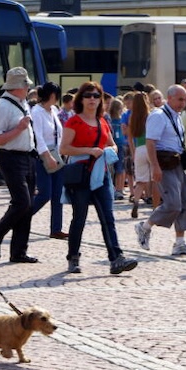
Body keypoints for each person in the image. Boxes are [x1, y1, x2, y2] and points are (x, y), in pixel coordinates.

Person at [60, 81, 138, 275]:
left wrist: (108, 150)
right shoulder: (74, 121)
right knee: (79, 218)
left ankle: (116, 258)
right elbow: (63, 148)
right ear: (81, 99)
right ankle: (73, 257)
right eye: (88, 95)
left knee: (108, 217)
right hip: (81, 175)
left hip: (100, 174)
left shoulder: (103, 121)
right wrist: (89, 150)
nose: (92, 99)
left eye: (96, 95)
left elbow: (113, 144)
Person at [135, 84, 186, 256]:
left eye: (184, 99)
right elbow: (150, 143)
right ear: (169, 98)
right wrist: (155, 166)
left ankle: (180, 243)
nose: (183, 103)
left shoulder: (177, 116)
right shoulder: (158, 116)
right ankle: (145, 226)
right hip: (164, 164)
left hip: (178, 163)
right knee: (173, 204)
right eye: (180, 99)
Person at [0, 66, 37, 263]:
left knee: (28, 205)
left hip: (27, 157)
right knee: (21, 201)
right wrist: (19, 129)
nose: (28, 89)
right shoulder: (2, 106)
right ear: (17, 87)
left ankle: (19, 252)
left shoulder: (23, 103)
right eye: (26, 85)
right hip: (10, 157)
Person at [30, 81, 67, 239]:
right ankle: (21, 217)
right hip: (43, 156)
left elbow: (59, 133)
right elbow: (38, 137)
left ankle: (56, 228)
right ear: (52, 96)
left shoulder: (53, 110)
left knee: (58, 194)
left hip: (57, 154)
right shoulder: (36, 112)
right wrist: (47, 155)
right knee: (44, 194)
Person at [127, 91, 158, 218]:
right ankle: (156, 206)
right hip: (150, 147)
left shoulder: (132, 117)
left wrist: (133, 151)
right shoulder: (150, 115)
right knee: (155, 178)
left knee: (140, 180)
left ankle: (136, 202)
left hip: (139, 149)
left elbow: (129, 137)